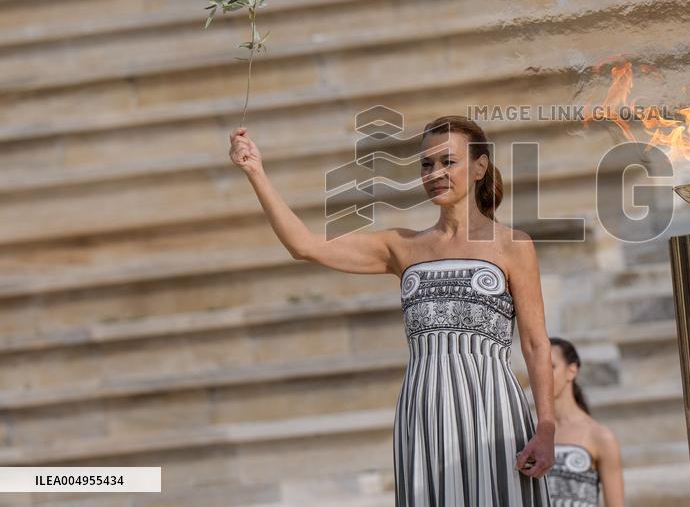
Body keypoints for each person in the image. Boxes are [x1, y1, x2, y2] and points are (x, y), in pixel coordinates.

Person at [229, 115, 553, 506]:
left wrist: (547, 425)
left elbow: (536, 344)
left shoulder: (513, 245)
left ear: (479, 167)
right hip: (423, 410)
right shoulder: (401, 247)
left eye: (448, 162)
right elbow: (305, 246)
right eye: (426, 164)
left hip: (494, 411)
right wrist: (256, 172)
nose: (435, 173)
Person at [547, 337, 624, 507]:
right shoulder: (527, 432)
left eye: (551, 367)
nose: (541, 374)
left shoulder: (600, 436)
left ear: (572, 370)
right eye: (536, 367)